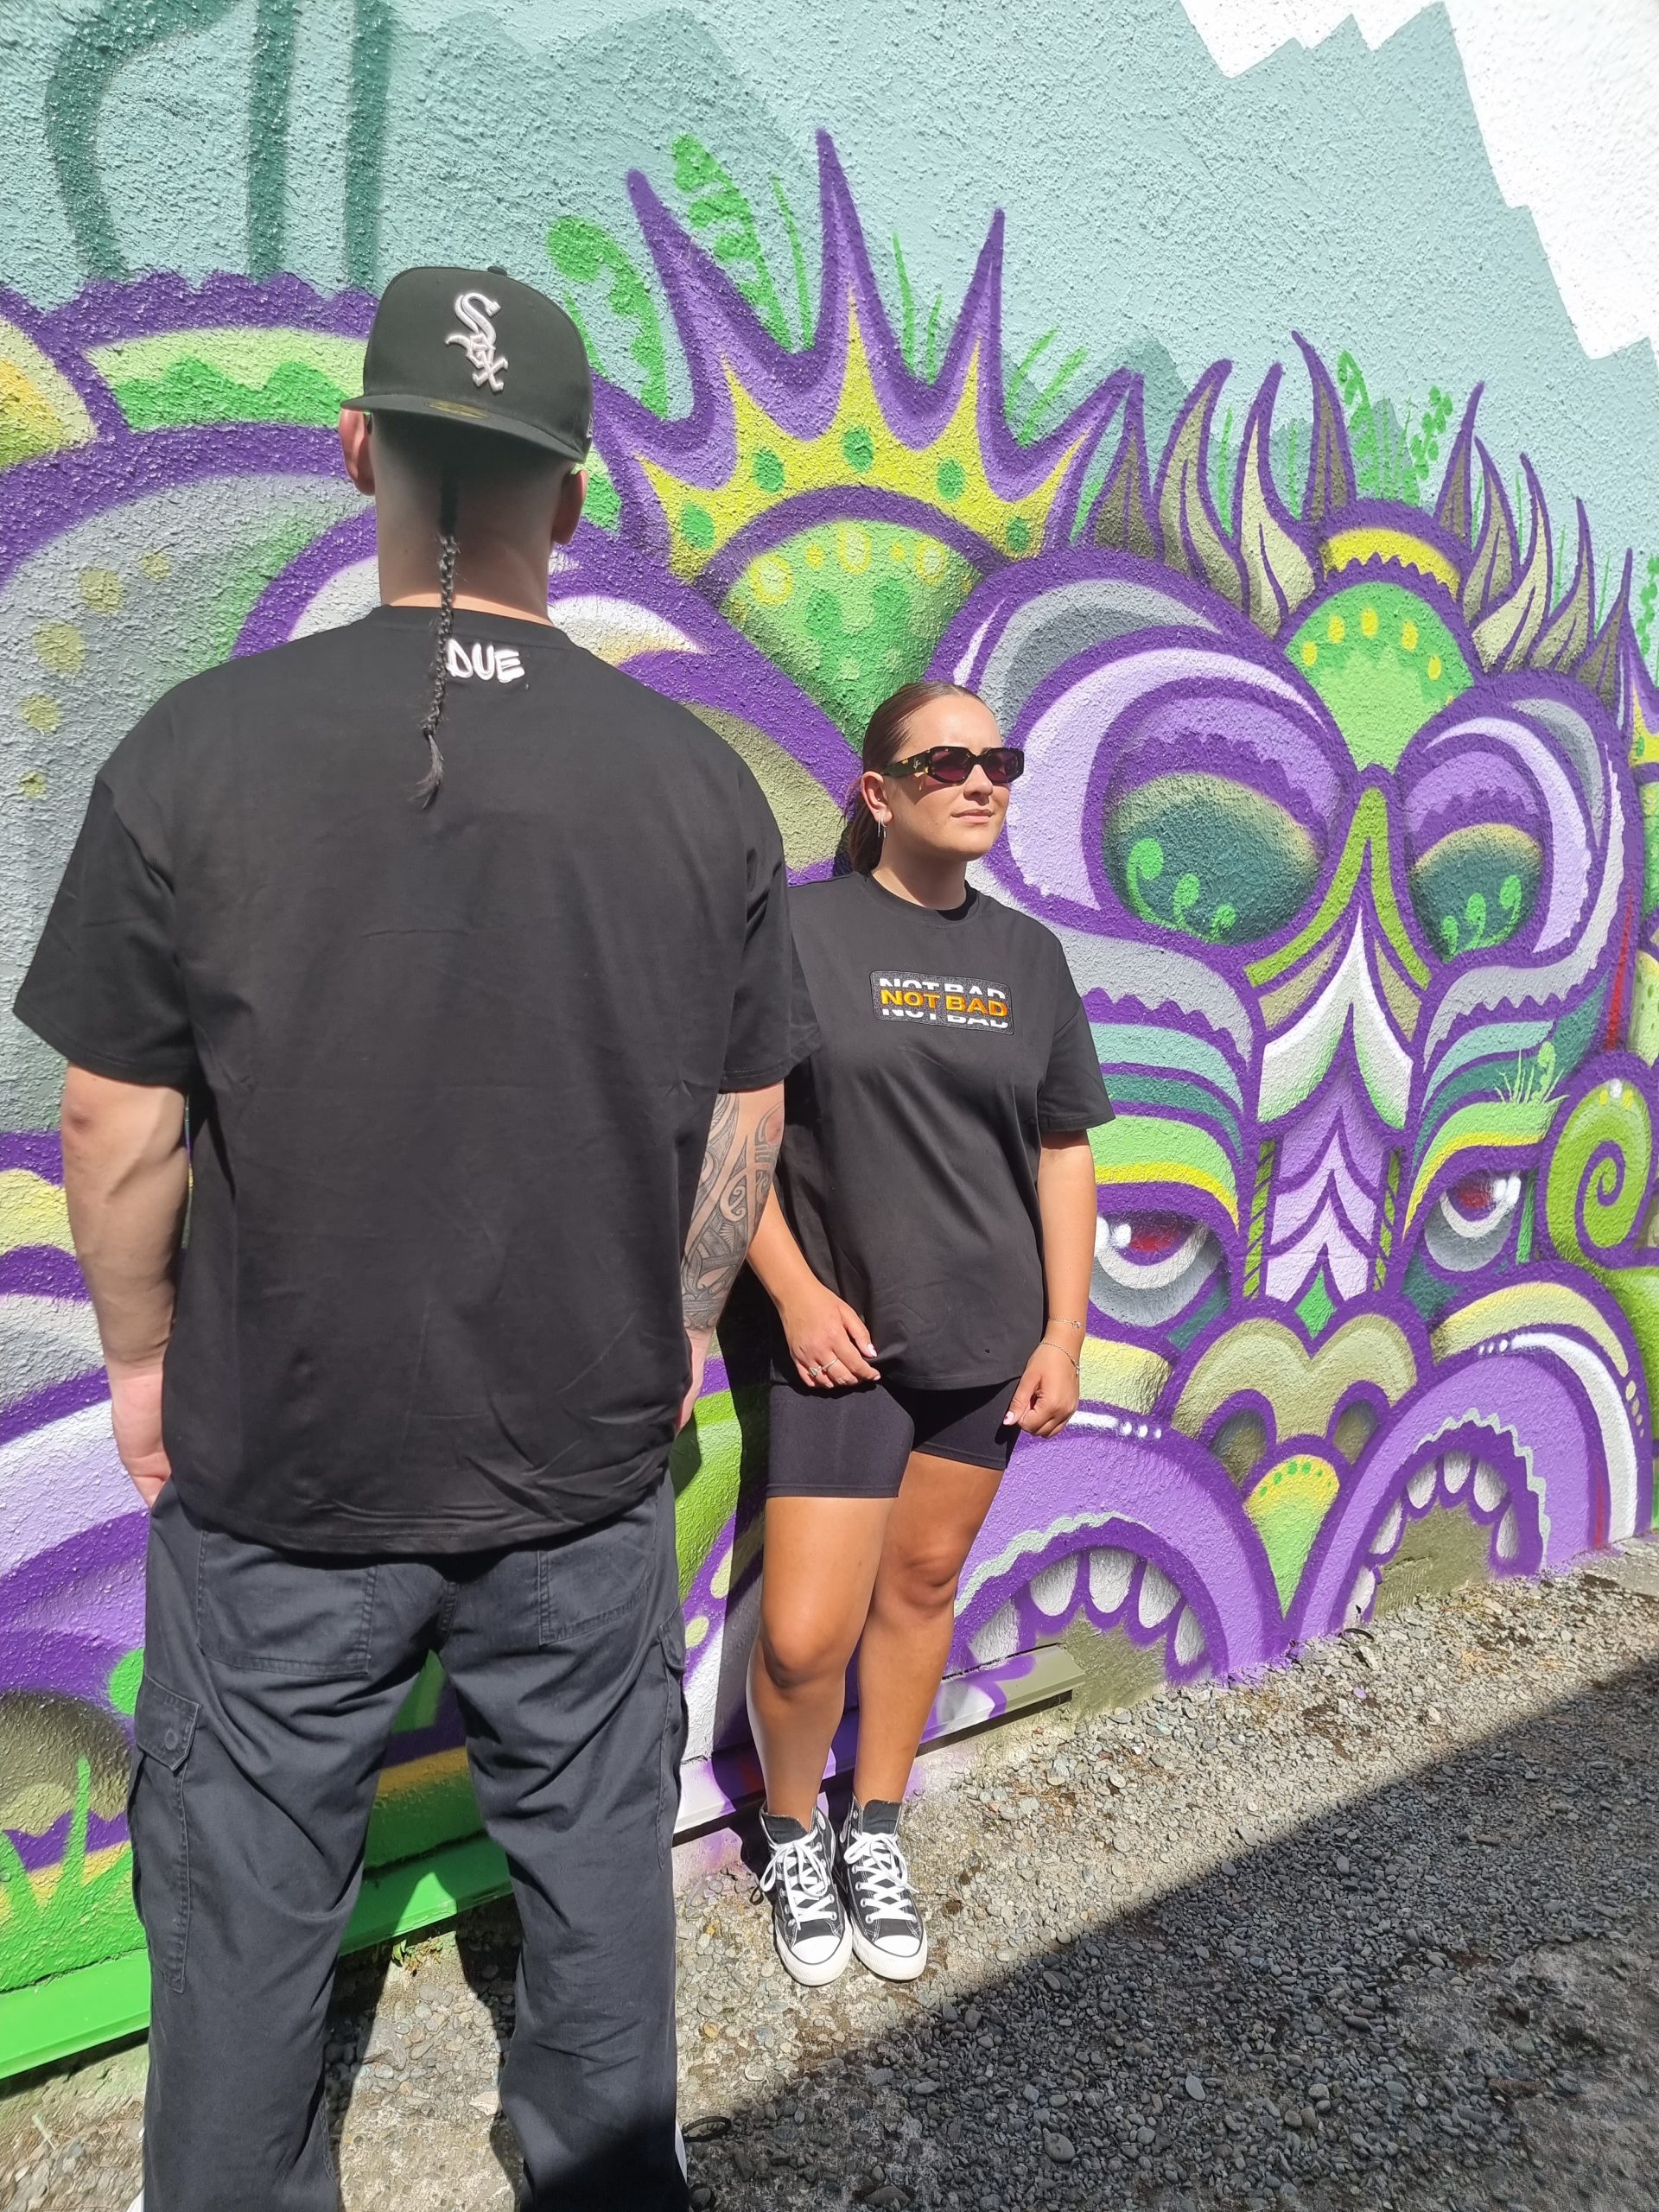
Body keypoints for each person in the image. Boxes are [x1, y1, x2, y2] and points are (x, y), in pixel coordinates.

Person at [16, 266, 810, 2212]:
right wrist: (683, 1336)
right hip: (583, 1458)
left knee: (246, 1911)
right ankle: (607, 2178)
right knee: (597, 1880)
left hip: (281, 1469)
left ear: (358, 447)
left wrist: (138, 1358)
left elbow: (118, 1125)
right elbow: (747, 1118)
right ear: (571, 485)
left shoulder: (199, 749)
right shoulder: (698, 786)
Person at [739, 679, 1112, 1986]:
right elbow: (732, 1136)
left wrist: (1066, 1330)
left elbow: (1063, 1150)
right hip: (845, 1341)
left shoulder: (1029, 959)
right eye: (945, 760)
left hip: (987, 1343)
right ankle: (791, 1830)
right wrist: (788, 1288)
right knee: (800, 1635)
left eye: (997, 760)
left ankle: (874, 1824)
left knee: (920, 1592)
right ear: (877, 791)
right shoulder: (797, 931)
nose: (979, 781)